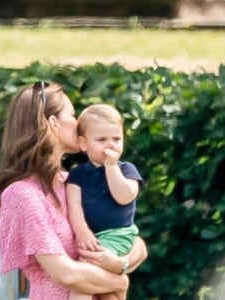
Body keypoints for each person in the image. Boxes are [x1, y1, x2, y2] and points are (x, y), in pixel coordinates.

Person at [0, 81, 147, 300]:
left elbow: (136, 242)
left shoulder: (72, 181)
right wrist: (120, 279)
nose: (79, 122)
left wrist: (120, 263)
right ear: (53, 123)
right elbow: (66, 274)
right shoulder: (23, 194)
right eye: (72, 114)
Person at [66, 104, 143, 300]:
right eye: (101, 140)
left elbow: (124, 196)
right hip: (94, 236)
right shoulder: (77, 175)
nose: (111, 145)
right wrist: (81, 230)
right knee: (104, 290)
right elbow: (73, 205)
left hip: (119, 235)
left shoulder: (126, 169)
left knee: (85, 272)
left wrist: (111, 168)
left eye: (116, 139)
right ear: (83, 144)